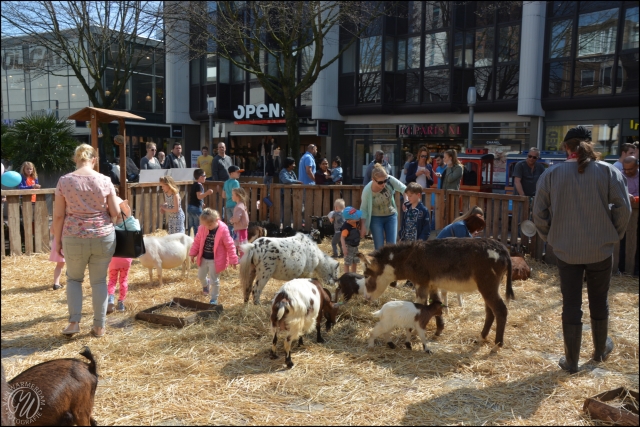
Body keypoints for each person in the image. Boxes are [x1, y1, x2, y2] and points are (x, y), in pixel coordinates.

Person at [533, 126, 631, 374]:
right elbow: (624, 209)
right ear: (591, 145)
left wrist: (552, 238)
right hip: (601, 249)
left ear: (566, 147)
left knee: (571, 302)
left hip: (566, 250)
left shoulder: (552, 174)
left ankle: (572, 362)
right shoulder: (608, 171)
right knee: (599, 300)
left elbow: (539, 214)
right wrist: (613, 235)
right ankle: (599, 352)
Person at [53, 143, 124, 338]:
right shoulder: (105, 180)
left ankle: (74, 322)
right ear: (94, 160)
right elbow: (116, 212)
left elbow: (59, 215)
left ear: (76, 159)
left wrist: (57, 241)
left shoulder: (64, 181)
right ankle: (99, 326)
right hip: (103, 236)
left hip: (74, 236)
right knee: (99, 281)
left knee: (74, 279)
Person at [189, 208, 238, 305]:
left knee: (214, 280)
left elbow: (230, 245)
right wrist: (193, 253)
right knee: (200, 276)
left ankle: (214, 299)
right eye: (205, 225)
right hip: (203, 257)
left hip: (216, 260)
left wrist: (233, 259)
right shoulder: (203, 228)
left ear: (216, 220)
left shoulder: (223, 230)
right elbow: (197, 241)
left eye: (210, 225)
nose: (208, 227)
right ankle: (205, 285)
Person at [360, 163, 406, 250]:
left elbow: (404, 188)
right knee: (379, 248)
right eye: (380, 182)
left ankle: (391, 263)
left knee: (392, 246)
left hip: (391, 216)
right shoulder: (367, 190)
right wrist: (363, 226)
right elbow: (363, 209)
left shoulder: (390, 180)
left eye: (385, 181)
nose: (383, 184)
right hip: (376, 218)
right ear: (373, 179)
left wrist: (406, 200)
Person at [398, 182, 431, 287]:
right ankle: (409, 281)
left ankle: (417, 282)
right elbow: (403, 224)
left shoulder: (423, 211)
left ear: (418, 195)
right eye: (407, 195)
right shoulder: (407, 209)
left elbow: (426, 228)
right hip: (407, 240)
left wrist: (420, 241)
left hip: (417, 241)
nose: (408, 198)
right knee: (407, 261)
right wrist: (401, 236)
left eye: (411, 195)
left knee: (417, 262)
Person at [106, 197, 135, 313]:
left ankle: (110, 299)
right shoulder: (128, 223)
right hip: (126, 258)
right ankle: (121, 303)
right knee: (123, 281)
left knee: (112, 280)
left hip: (113, 258)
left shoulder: (111, 226)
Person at [188, 169, 214, 237]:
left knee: (191, 226)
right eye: (204, 175)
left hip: (191, 207)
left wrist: (201, 203)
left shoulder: (194, 184)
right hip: (196, 208)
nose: (205, 177)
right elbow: (199, 196)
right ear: (200, 177)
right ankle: (198, 241)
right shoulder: (199, 185)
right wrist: (207, 193)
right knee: (198, 226)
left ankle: (191, 240)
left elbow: (195, 197)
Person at [341, 207, 362, 274]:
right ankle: (346, 276)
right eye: (355, 217)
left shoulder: (356, 223)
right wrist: (344, 248)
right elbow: (342, 238)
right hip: (349, 247)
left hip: (355, 246)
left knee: (355, 261)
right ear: (349, 220)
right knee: (347, 262)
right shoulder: (346, 228)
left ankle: (354, 275)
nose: (358, 217)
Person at [229, 187, 249, 254]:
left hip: (240, 229)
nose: (232, 196)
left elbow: (237, 219)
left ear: (237, 196)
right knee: (242, 246)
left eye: (233, 195)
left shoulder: (238, 206)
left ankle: (242, 260)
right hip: (242, 229)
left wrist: (232, 220)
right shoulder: (242, 205)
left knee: (241, 246)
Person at [223, 165, 243, 233]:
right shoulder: (235, 182)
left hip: (228, 205)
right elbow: (237, 195)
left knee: (230, 224)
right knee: (237, 223)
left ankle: (229, 240)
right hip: (235, 205)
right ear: (231, 173)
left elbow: (223, 195)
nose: (239, 173)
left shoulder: (225, 182)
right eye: (237, 172)